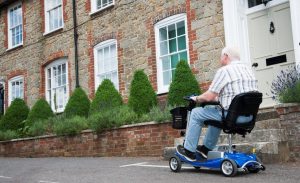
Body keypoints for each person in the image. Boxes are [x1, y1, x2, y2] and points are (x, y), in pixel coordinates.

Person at [176, 46, 258, 161]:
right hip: (248, 118)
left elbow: (209, 96)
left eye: (220, 56)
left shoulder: (224, 71)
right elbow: (235, 97)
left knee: (195, 113)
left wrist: (196, 98)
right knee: (213, 110)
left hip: (231, 117)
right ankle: (205, 149)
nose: (220, 59)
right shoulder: (248, 70)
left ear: (226, 56)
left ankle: (189, 151)